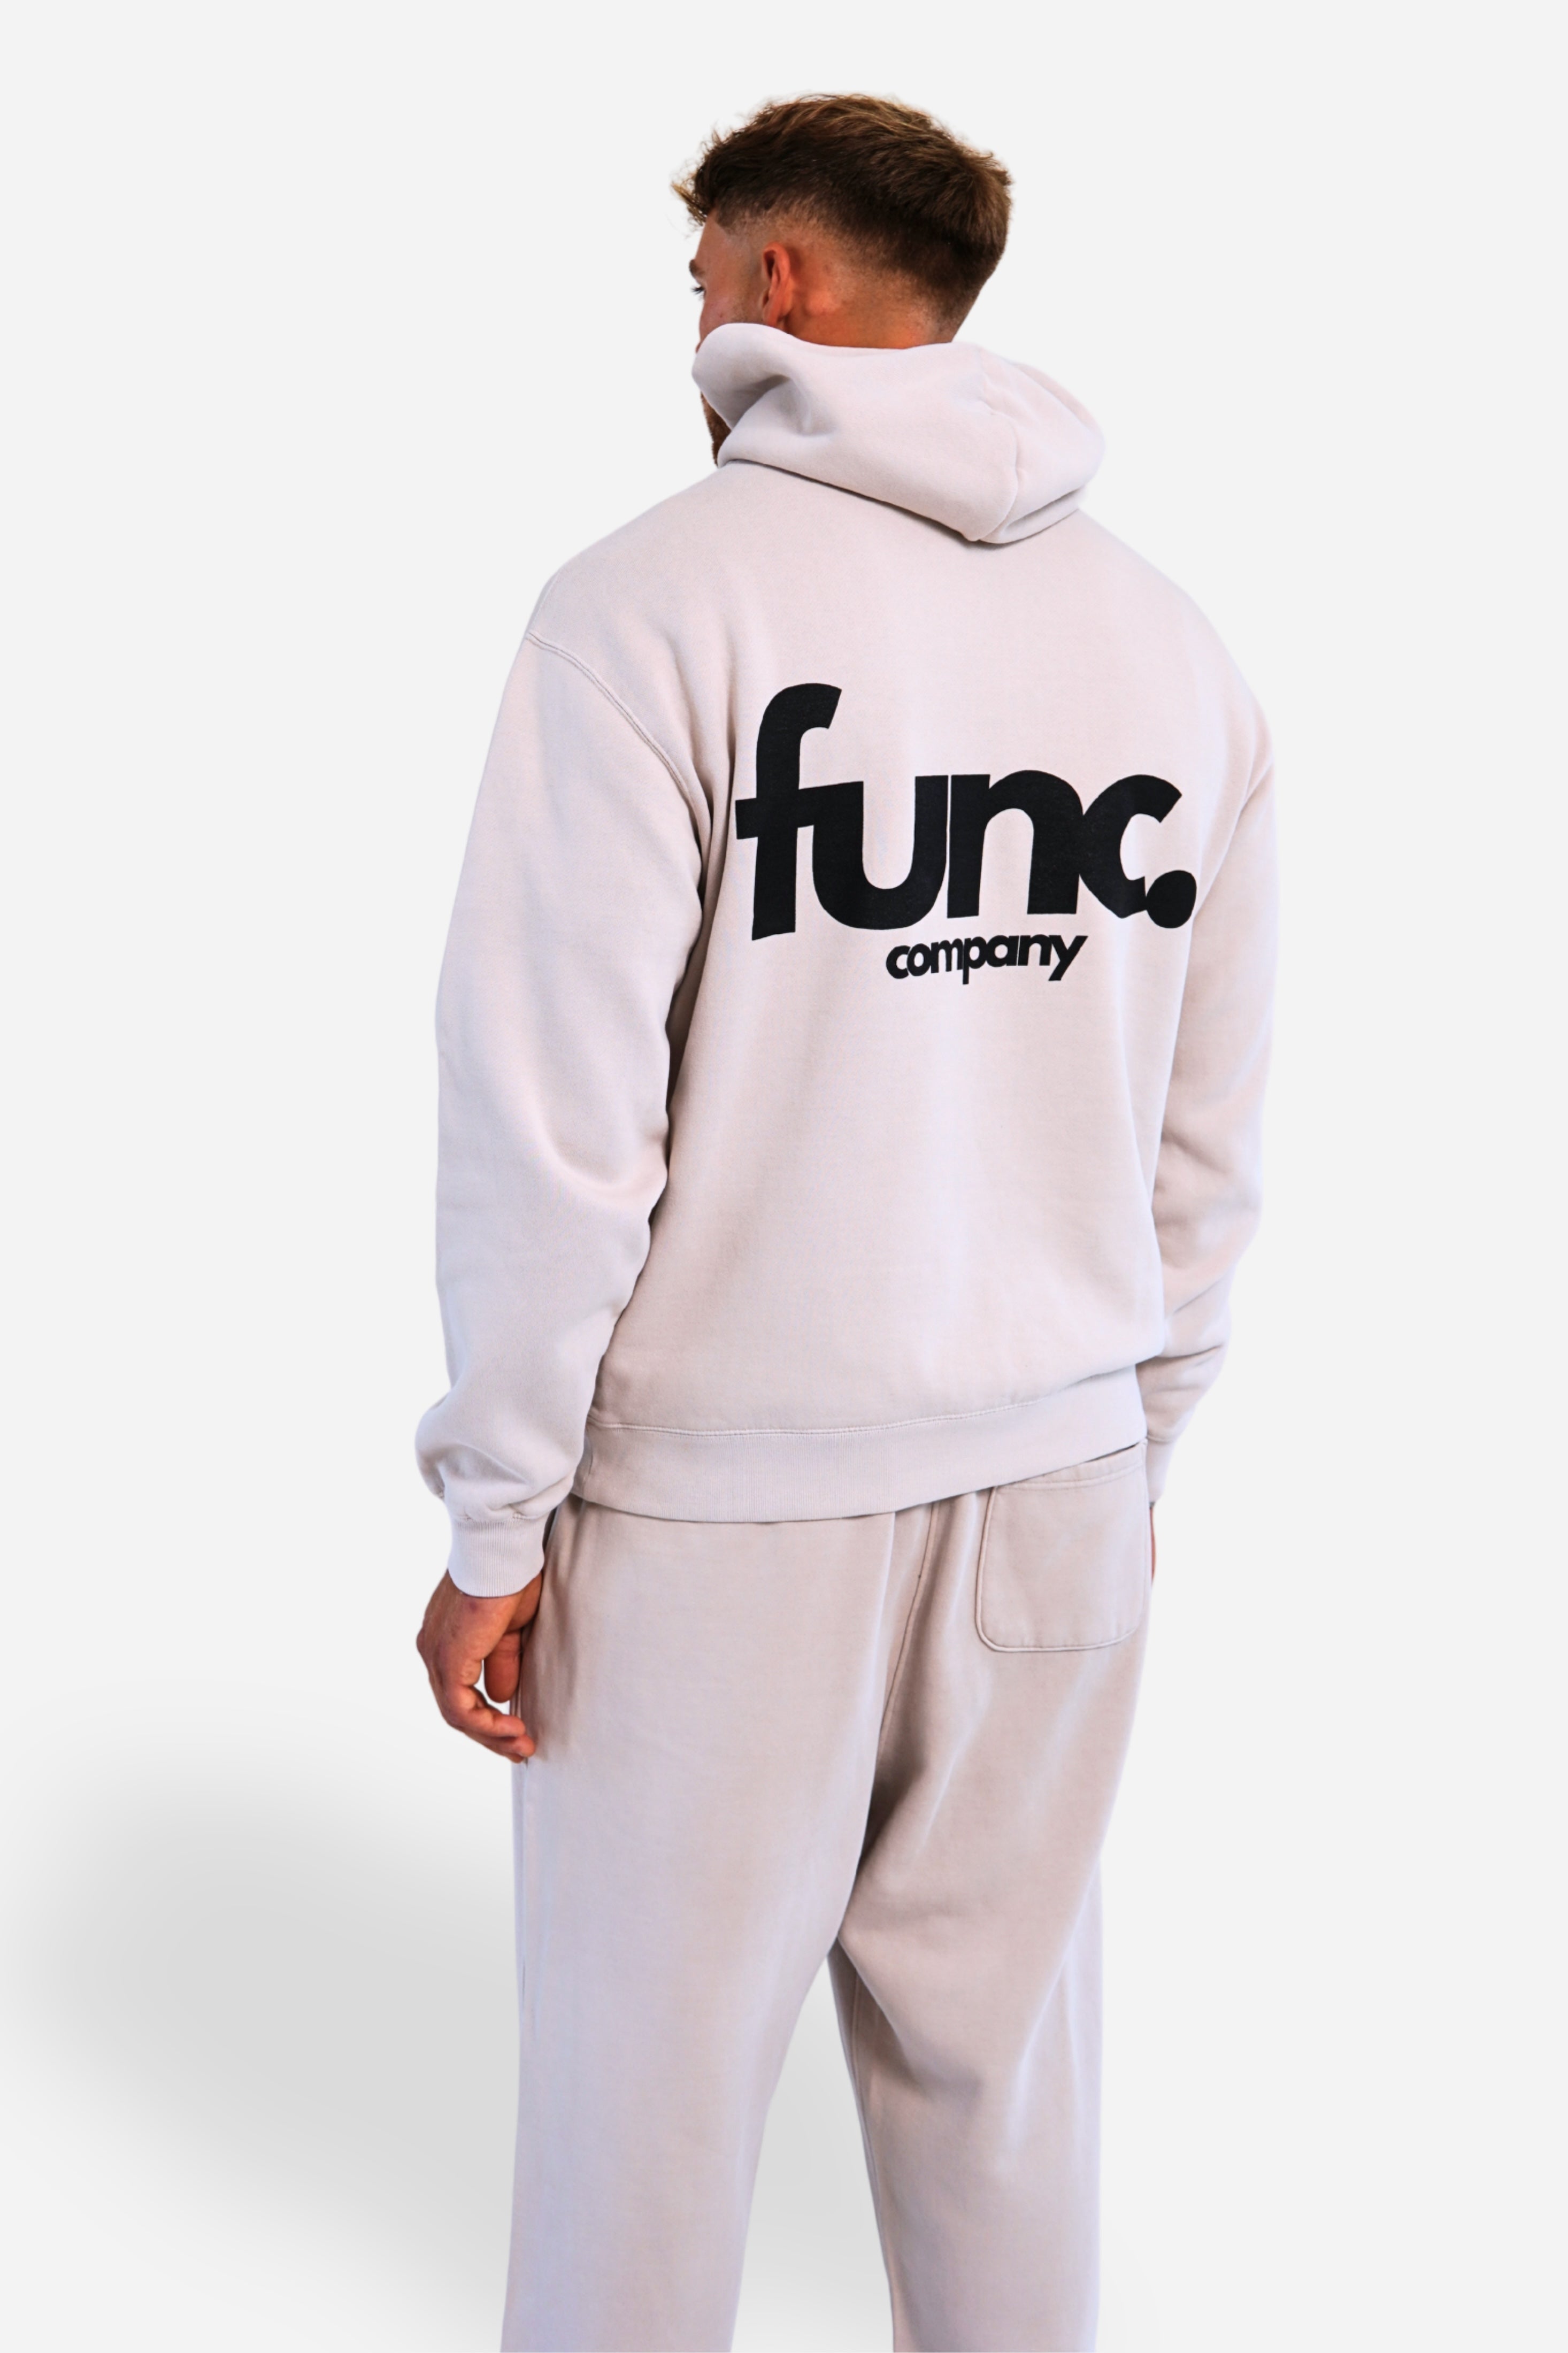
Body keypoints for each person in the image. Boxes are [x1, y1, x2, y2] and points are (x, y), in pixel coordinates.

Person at [414, 92, 1275, 2353]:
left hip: (729, 1503)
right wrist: (1130, 1446)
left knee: (642, 2123)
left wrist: (500, 1509)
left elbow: (554, 1120)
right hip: (1058, 1482)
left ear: (777, 278)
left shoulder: (646, 608)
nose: (690, 320)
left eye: (699, 275)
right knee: (1004, 2110)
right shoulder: (1166, 643)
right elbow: (1206, 1133)